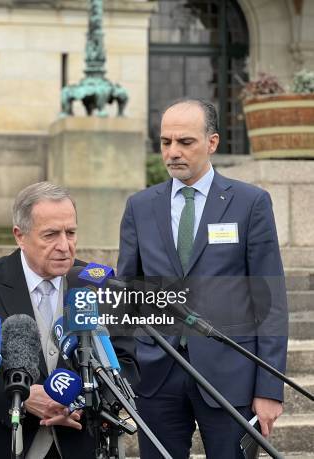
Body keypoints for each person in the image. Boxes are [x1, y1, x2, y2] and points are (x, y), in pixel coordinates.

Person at [117, 98, 288, 458]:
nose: (173, 152)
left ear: (212, 143)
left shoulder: (250, 203)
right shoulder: (140, 206)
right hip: (156, 377)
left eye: (185, 142)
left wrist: (269, 389)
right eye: (165, 142)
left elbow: (269, 301)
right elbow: (128, 295)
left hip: (230, 377)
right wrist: (128, 374)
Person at [0, 181, 139, 459]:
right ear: (20, 236)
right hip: (3, 442)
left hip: (79, 442)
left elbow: (127, 364)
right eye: (50, 235)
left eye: (70, 232)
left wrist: (75, 404)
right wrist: (21, 399)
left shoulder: (99, 284)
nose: (64, 246)